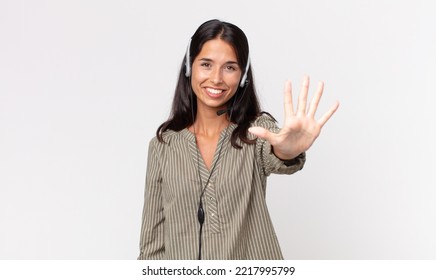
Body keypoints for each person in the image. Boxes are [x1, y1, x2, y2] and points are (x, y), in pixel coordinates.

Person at [138, 19, 339, 260]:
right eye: (206, 64)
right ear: (189, 68)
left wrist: (287, 151)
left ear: (243, 76)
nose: (216, 78)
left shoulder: (257, 130)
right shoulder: (163, 146)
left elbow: (275, 154)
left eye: (230, 67)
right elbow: (152, 248)